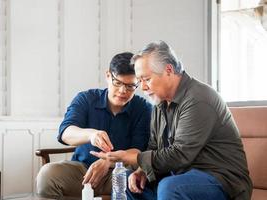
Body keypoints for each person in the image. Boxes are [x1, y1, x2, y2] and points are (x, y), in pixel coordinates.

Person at [91, 41, 252, 200]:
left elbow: (180, 154)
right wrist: (141, 171)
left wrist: (131, 157)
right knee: (126, 180)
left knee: (171, 187)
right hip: (177, 176)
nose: (143, 87)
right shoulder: (159, 104)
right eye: (140, 81)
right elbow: (154, 147)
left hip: (220, 180)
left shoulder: (199, 98)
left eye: (146, 79)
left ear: (168, 70)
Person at [36, 52, 152, 198]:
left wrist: (108, 161)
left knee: (137, 181)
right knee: (48, 175)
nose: (123, 91)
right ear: (108, 75)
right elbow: (66, 132)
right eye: (118, 83)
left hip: (121, 172)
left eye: (130, 86)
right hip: (83, 172)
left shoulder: (143, 109)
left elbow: (138, 151)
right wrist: (91, 135)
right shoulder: (86, 99)